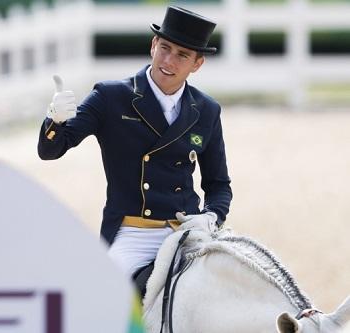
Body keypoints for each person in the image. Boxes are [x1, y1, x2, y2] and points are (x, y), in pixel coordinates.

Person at [38, 5, 232, 294]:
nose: (169, 61)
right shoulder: (110, 97)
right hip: (134, 233)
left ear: (197, 64)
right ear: (153, 45)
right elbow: (51, 150)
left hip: (188, 231)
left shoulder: (206, 110)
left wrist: (211, 216)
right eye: (165, 48)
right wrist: (55, 119)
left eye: (183, 55)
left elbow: (219, 185)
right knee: (108, 300)